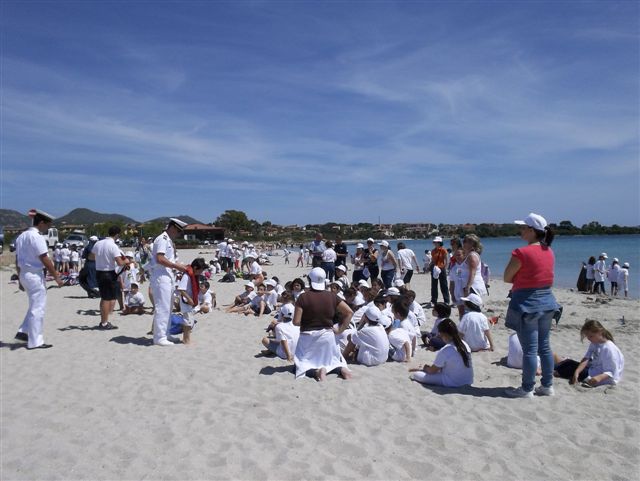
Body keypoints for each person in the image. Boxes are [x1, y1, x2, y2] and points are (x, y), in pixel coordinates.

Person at [504, 213, 559, 398]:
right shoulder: (549, 251)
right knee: (544, 347)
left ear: (531, 230)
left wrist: (521, 278)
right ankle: (547, 385)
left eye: (523, 228)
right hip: (547, 302)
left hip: (527, 303)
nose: (520, 230)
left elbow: (506, 277)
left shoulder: (521, 252)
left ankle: (527, 388)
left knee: (530, 350)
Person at [14, 209, 64, 349]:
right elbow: (44, 258)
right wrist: (56, 277)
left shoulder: (21, 236)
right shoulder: (37, 237)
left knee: (33, 305)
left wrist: (19, 278)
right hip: (34, 275)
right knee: (38, 308)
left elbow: (17, 259)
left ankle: (23, 331)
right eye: (48, 225)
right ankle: (35, 341)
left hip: (24, 273)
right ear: (41, 223)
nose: (48, 228)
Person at [293, 267, 353, 381]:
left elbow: (296, 322)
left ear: (310, 280)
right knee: (333, 361)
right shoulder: (332, 296)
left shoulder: (303, 297)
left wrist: (308, 321)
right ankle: (342, 370)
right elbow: (349, 312)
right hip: (327, 336)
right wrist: (340, 330)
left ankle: (317, 372)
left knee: (300, 365)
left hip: (308, 338)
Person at [149, 218, 188, 346]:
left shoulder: (168, 240)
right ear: (172, 228)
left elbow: (170, 259)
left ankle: (165, 334)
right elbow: (160, 258)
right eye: (178, 231)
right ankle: (159, 337)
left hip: (168, 276)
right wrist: (177, 267)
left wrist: (182, 266)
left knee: (169, 307)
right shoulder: (162, 239)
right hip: (161, 276)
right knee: (163, 307)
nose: (178, 234)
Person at [554, 320, 624, 387]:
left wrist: (598, 378)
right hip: (591, 369)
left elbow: (612, 371)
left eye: (591, 336)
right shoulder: (595, 343)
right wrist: (577, 372)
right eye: (587, 336)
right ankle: (555, 363)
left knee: (567, 368)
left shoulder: (609, 349)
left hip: (600, 377)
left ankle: (553, 365)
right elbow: (586, 359)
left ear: (600, 332)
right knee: (569, 363)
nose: (588, 338)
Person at [409, 319, 473, 387]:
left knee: (416, 375)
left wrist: (425, 368)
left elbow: (432, 371)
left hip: (452, 382)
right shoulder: (465, 344)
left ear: (444, 334)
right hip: (468, 380)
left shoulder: (446, 349)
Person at [93, 225, 130, 330]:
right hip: (108, 273)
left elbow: (91, 256)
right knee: (107, 298)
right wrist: (127, 261)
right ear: (117, 234)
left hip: (99, 272)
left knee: (104, 297)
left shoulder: (98, 243)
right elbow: (120, 262)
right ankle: (104, 322)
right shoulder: (113, 246)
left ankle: (103, 319)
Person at [177, 257, 207, 344]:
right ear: (195, 268)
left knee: (190, 321)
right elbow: (181, 289)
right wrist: (189, 299)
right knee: (187, 320)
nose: (201, 272)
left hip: (190, 302)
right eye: (200, 270)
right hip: (186, 301)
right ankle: (186, 340)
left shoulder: (193, 275)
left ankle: (186, 339)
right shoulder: (186, 276)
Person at [428, 237, 450, 307]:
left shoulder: (443, 250)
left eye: (436, 242)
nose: (435, 243)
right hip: (434, 268)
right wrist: (429, 266)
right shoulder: (433, 251)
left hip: (442, 268)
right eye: (434, 242)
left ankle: (446, 300)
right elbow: (433, 260)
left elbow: (446, 260)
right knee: (434, 285)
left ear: (440, 243)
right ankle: (433, 300)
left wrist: (446, 268)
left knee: (444, 285)